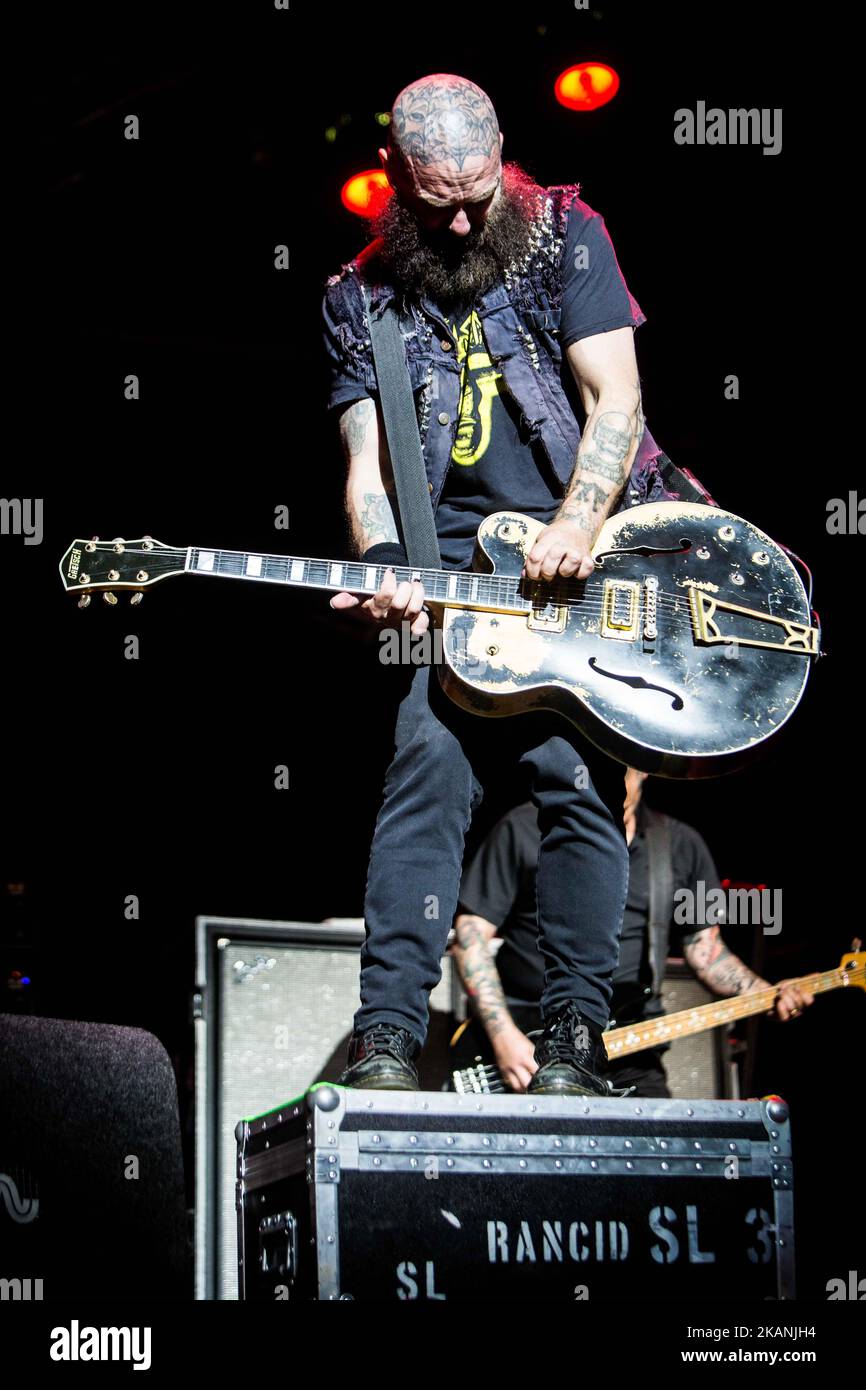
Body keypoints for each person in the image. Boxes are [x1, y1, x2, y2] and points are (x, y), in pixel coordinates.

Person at [322, 72, 708, 1095]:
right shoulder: (360, 297)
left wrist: (579, 522)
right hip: (450, 581)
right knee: (425, 775)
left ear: (503, 157)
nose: (458, 215)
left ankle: (576, 1039)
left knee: (574, 787)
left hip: (576, 566)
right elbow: (366, 468)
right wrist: (380, 570)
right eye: (435, 195)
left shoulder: (564, 236)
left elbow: (612, 397)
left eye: (477, 188)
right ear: (395, 177)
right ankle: (389, 1036)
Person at [451, 771, 815, 1095]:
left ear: (645, 769)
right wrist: (504, 1038)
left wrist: (767, 992)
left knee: (659, 1162)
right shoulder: (524, 827)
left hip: (629, 1049)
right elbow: (471, 938)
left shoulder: (679, 845)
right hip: (530, 1039)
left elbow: (706, 950)